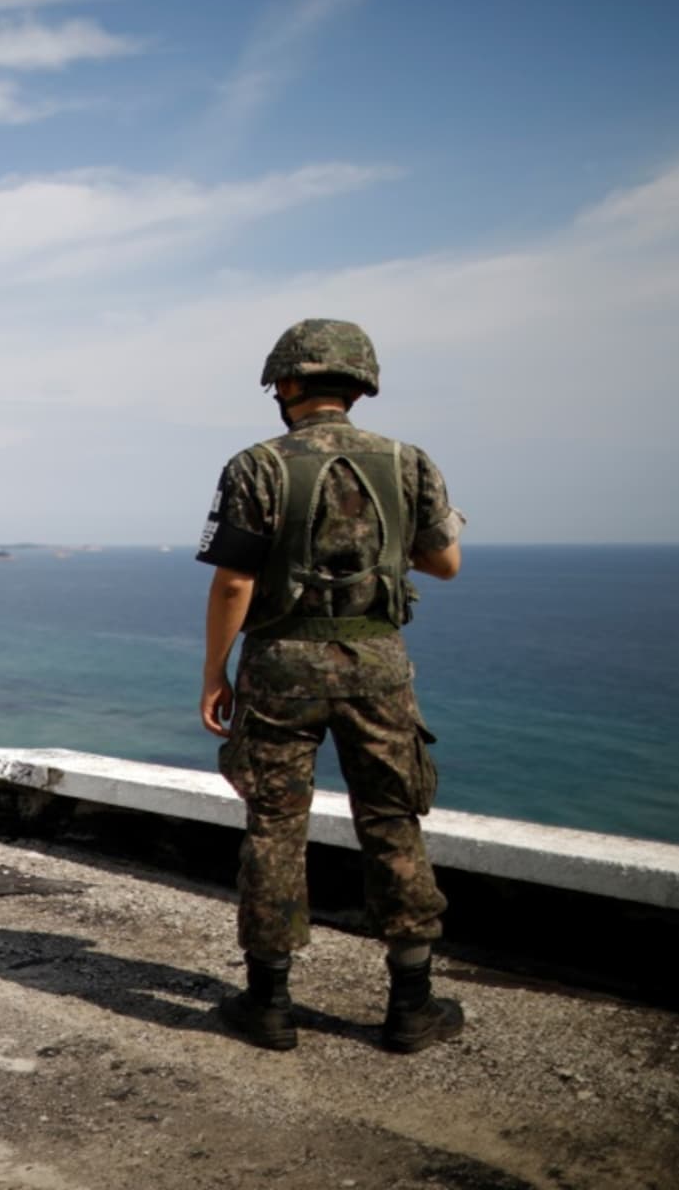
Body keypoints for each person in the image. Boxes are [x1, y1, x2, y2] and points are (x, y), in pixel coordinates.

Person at [196, 318, 466, 1053]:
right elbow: (445, 564)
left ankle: (270, 1004)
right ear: (359, 385)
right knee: (392, 819)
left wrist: (215, 672)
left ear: (285, 385)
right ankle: (411, 1003)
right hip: (379, 665)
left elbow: (235, 582)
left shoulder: (254, 466)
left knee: (276, 826)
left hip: (280, 666)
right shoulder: (407, 461)